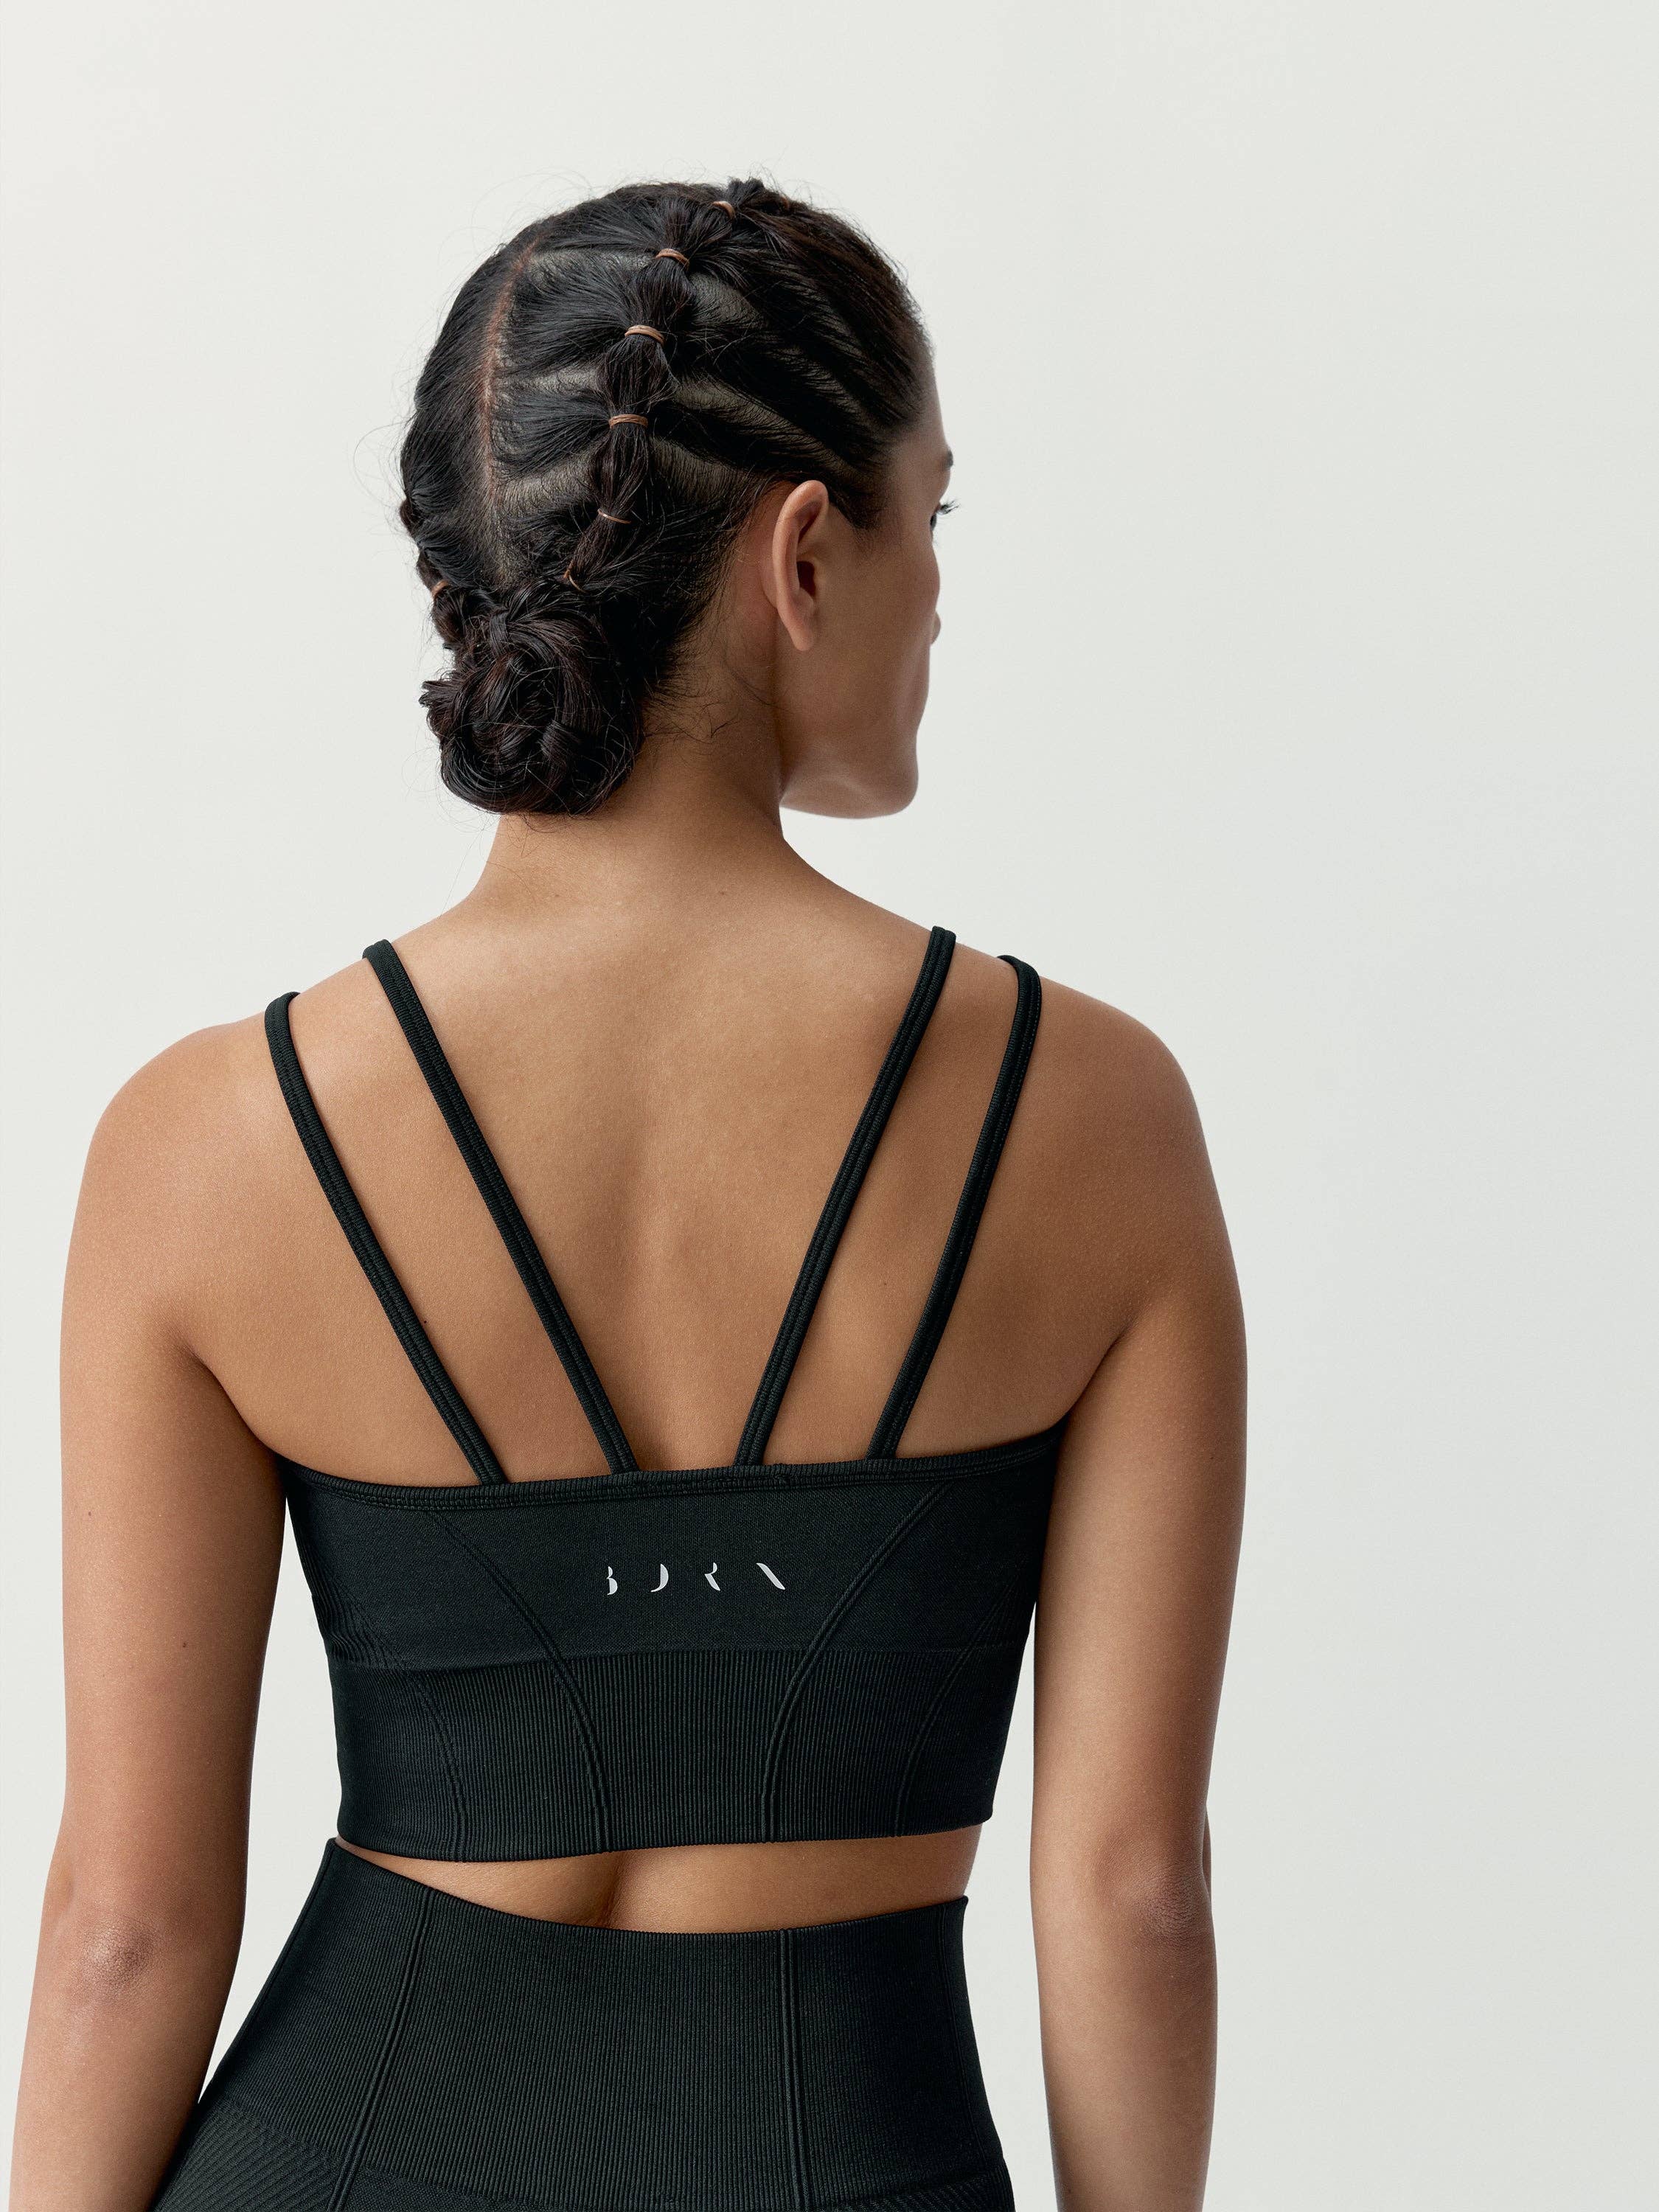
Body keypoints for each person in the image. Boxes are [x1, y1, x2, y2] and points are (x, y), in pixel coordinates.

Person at [9, 179, 1245, 2212]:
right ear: (804, 554)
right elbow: (1129, 1889)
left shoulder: (212, 1138)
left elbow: (123, 1932)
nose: (943, 591)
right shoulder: (1086, 1112)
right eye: (935, 517)